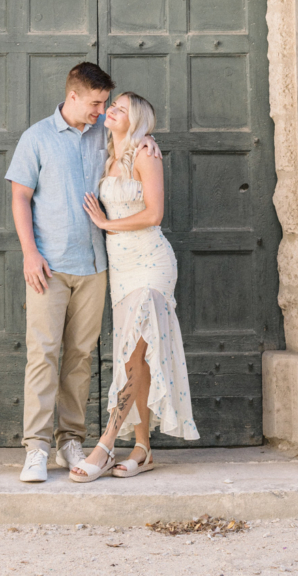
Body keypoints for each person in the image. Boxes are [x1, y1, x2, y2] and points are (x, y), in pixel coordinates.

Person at [6, 62, 158, 483]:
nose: (101, 110)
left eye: (106, 102)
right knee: (43, 354)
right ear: (72, 96)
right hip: (49, 267)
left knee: (80, 358)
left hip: (96, 266)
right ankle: (35, 448)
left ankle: (69, 438)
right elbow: (20, 199)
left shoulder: (105, 137)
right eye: (95, 102)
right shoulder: (36, 138)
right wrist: (29, 254)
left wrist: (149, 145)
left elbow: (135, 152)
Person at [69, 90, 198, 481]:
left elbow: (154, 213)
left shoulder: (145, 152)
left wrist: (106, 224)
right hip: (122, 270)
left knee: (132, 355)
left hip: (151, 265)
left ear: (137, 120)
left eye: (120, 109)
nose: (110, 111)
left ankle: (105, 445)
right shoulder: (108, 154)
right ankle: (143, 450)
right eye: (111, 107)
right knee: (135, 359)